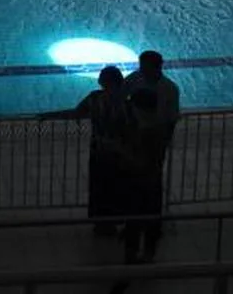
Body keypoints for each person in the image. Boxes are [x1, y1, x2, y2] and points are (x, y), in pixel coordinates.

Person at [39, 65, 129, 236]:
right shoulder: (126, 102)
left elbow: (75, 113)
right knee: (117, 185)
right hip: (119, 152)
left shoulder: (96, 98)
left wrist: (49, 115)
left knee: (100, 186)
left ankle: (102, 223)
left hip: (101, 150)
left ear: (103, 81)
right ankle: (117, 220)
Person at [115, 88, 166, 265]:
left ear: (139, 108)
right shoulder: (156, 128)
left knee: (136, 219)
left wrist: (120, 150)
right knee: (148, 219)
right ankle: (146, 253)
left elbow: (141, 160)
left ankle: (133, 254)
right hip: (150, 182)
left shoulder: (145, 131)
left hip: (139, 182)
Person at [123, 51, 180, 149]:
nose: (142, 69)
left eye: (145, 67)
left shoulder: (169, 88)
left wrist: (166, 139)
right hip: (134, 131)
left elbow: (172, 117)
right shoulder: (135, 78)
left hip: (155, 134)